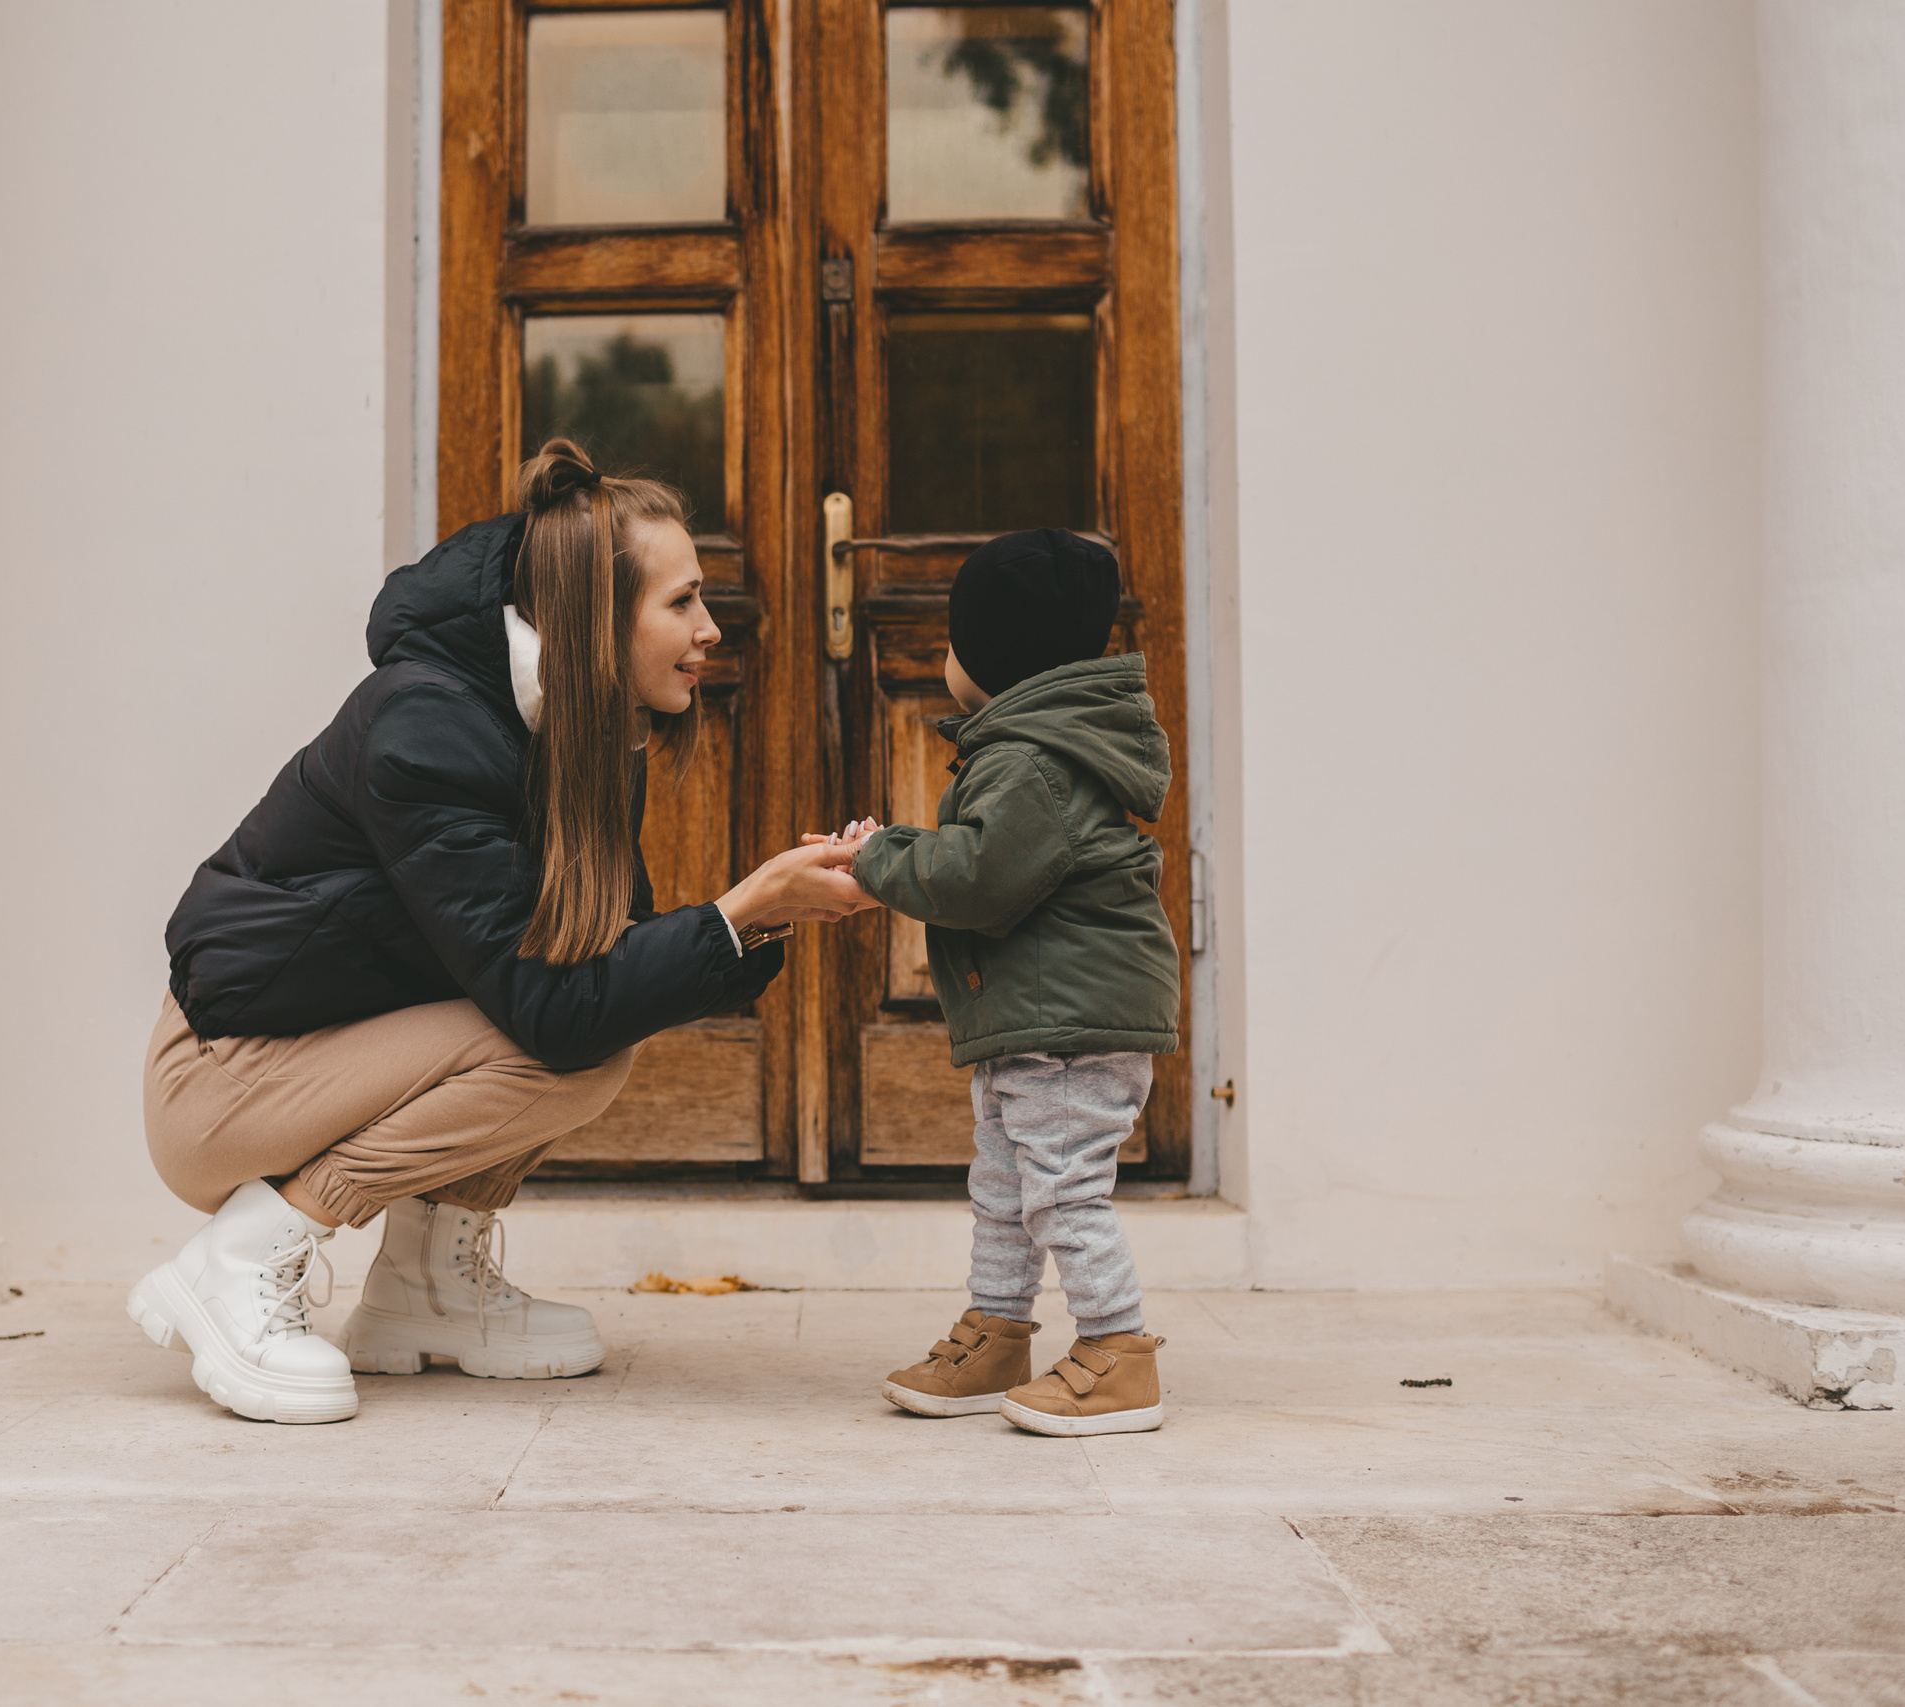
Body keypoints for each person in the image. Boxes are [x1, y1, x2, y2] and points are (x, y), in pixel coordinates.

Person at [130, 440, 873, 1425]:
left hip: (326, 1051)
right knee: (567, 1053)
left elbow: (618, 952)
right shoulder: (423, 728)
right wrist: (736, 915)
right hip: (221, 1078)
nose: (708, 628)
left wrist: (763, 920)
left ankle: (426, 1289)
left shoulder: (585, 727)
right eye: (681, 602)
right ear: (593, 616)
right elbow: (558, 1015)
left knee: (578, 1027)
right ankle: (247, 1253)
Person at [839, 529, 1181, 1437]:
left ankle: (1118, 1352)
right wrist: (897, 849)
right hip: (1039, 1022)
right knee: (1004, 1186)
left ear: (994, 657)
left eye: (955, 640)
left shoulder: (1033, 760)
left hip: (1071, 1027)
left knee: (1063, 1188)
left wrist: (879, 857)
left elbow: (977, 880)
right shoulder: (1031, 751)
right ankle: (997, 1331)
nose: (947, 657)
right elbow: (979, 859)